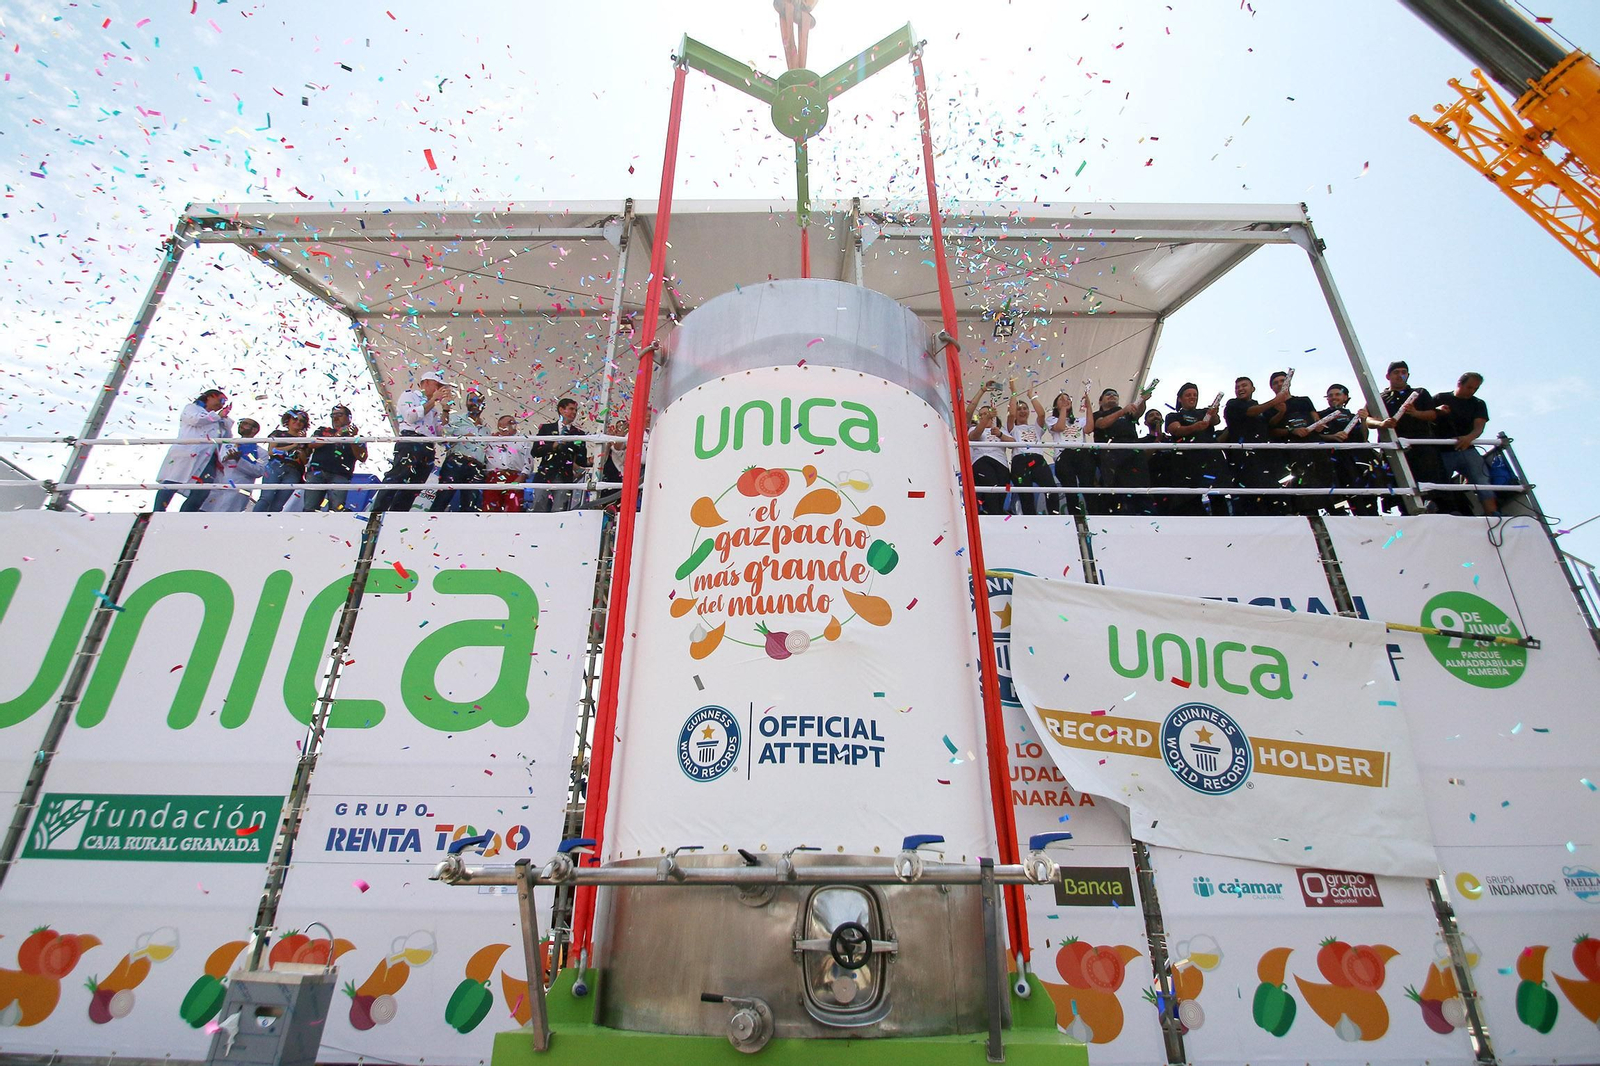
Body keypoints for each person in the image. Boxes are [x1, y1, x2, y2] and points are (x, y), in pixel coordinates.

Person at [1367, 360, 1443, 503]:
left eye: (1403, 372)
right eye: (1396, 372)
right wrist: (1382, 423)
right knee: (1397, 483)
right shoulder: (1379, 397)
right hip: (1392, 447)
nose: (1400, 375)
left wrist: (1415, 413)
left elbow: (1432, 414)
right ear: (1388, 376)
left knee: (1426, 480)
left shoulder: (1419, 393)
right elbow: (1368, 420)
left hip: (1420, 445)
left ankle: (1430, 506)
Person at [372, 369, 448, 513]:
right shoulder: (410, 395)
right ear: (425, 383)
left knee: (415, 485)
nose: (439, 388)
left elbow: (440, 433)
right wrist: (433, 401)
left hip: (428, 446)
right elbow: (411, 417)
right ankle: (377, 511)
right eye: (436, 384)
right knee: (398, 476)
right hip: (410, 440)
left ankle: (398, 513)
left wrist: (445, 410)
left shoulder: (433, 409)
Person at [153, 389, 229, 512]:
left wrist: (225, 423)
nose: (222, 404)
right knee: (174, 481)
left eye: (224, 402)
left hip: (209, 457)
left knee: (203, 490)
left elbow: (225, 438)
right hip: (188, 452)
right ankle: (158, 512)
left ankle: (185, 516)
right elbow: (196, 420)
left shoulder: (217, 419)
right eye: (221, 400)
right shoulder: (192, 408)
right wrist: (217, 416)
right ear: (210, 397)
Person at [1432, 372, 1498, 515]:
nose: (1472, 391)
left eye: (1475, 389)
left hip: (1467, 450)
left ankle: (1493, 514)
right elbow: (1428, 416)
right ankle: (1446, 513)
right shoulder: (1440, 398)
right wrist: (1438, 411)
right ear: (1459, 383)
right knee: (1440, 484)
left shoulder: (1478, 404)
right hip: (1442, 452)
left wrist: (1468, 438)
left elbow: (1479, 427)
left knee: (1483, 480)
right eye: (1469, 387)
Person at [1223, 375, 1286, 514]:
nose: (1240, 389)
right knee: (1249, 498)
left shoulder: (1260, 408)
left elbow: (1268, 425)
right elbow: (1250, 412)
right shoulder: (1233, 405)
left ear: (1253, 388)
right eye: (1237, 387)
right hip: (1243, 460)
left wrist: (1281, 412)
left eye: (1244, 385)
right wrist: (1274, 401)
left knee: (1272, 496)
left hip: (1265, 459)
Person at [1317, 384, 1377, 515]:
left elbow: (1364, 437)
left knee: (1363, 498)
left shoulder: (1353, 416)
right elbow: (1313, 435)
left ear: (1345, 397)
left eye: (1337, 394)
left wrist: (1364, 420)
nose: (1333, 397)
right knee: (1337, 498)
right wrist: (1332, 437)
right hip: (1332, 463)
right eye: (1330, 395)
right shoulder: (1320, 415)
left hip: (1355, 463)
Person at [1164, 383, 1223, 516]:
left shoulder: (1204, 413)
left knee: (1218, 499)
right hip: (1186, 465)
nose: (1192, 397)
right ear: (1180, 399)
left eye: (1195, 395)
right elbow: (1175, 430)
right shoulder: (1173, 415)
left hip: (1211, 464)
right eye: (1188, 395)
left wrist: (1213, 413)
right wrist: (1195, 427)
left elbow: (1216, 421)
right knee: (1190, 501)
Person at [1268, 370, 1321, 513]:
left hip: (1314, 450)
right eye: (1275, 383)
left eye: (1282, 381)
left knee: (1322, 485)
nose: (1279, 384)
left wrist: (1318, 426)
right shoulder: (1270, 407)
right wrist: (1292, 430)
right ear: (1271, 387)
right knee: (1300, 490)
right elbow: (1271, 430)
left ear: (1288, 382)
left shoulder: (1304, 400)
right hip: (1290, 455)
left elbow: (1317, 421)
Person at [1091, 386, 1149, 515]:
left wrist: (1143, 400)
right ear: (1100, 401)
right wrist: (1121, 412)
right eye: (1108, 395)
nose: (1112, 396)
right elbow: (1101, 424)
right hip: (1112, 454)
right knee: (1118, 488)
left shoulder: (1128, 413)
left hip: (1133, 450)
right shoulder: (1097, 414)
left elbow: (1138, 413)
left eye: (1115, 394)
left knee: (1140, 485)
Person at [430, 389, 489, 512]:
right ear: (466, 403)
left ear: (484, 405)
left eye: (478, 401)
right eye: (471, 400)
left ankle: (465, 530)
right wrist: (445, 411)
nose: (474, 403)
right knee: (443, 497)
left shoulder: (487, 430)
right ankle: (429, 527)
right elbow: (442, 438)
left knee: (470, 504)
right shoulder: (455, 418)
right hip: (456, 462)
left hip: (477, 467)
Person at [302, 405, 368, 513]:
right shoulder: (323, 431)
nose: (335, 418)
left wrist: (352, 439)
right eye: (333, 415)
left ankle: (332, 529)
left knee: (337, 509)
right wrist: (336, 436)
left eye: (340, 415)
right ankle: (306, 528)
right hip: (317, 472)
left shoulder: (357, 438)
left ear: (349, 418)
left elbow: (362, 457)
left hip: (340, 475)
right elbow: (311, 445)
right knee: (310, 506)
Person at [1004, 377, 1055, 515]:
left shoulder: (1036, 427)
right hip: (1020, 461)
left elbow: (1042, 414)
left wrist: (1031, 396)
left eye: (1025, 408)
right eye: (1019, 409)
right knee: (1026, 495)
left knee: (1051, 489)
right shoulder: (1012, 428)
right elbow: (1011, 413)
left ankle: (1054, 517)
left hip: (1038, 460)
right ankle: (1030, 520)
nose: (1022, 411)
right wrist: (1014, 392)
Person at [530, 397, 590, 512]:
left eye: (576, 410)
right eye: (571, 409)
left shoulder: (579, 433)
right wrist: (553, 446)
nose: (574, 413)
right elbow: (535, 451)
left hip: (564, 477)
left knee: (559, 509)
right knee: (538, 506)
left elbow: (581, 460)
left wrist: (592, 461)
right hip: (545, 475)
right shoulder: (546, 428)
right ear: (561, 410)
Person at [201, 418, 266, 513]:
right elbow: (222, 460)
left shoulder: (261, 452)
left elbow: (259, 471)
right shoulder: (228, 443)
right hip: (218, 485)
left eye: (246, 424)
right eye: (240, 423)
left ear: (254, 430)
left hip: (239, 490)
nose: (241, 425)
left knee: (227, 520)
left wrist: (239, 460)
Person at [254, 409, 312, 512]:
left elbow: (304, 461)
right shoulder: (278, 434)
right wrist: (293, 445)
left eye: (302, 421)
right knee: (266, 498)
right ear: (287, 420)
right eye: (295, 418)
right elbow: (272, 451)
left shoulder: (306, 441)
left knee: (279, 504)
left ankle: (270, 525)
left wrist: (301, 445)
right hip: (275, 467)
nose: (298, 422)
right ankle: (253, 522)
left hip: (294, 471)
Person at [1045, 391, 1091, 516]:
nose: (1065, 400)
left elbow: (1089, 429)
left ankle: (1094, 512)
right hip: (1063, 454)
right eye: (1061, 399)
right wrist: (1064, 409)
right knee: (1070, 486)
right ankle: (1075, 515)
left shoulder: (1078, 420)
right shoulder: (1051, 419)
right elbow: (1060, 428)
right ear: (1056, 406)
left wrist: (1089, 407)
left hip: (1081, 452)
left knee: (1087, 484)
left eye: (1067, 399)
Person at [967, 399, 1014, 516]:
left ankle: (996, 513)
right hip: (982, 459)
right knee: (991, 487)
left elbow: (1013, 443)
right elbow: (974, 436)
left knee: (1001, 491)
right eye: (981, 415)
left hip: (1001, 463)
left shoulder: (1001, 430)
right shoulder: (974, 429)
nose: (983, 416)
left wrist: (1000, 434)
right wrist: (986, 419)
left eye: (986, 414)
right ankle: (993, 514)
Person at [483, 414, 532, 513]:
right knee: (490, 508)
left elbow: (529, 461)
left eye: (513, 422)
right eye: (509, 422)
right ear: (500, 426)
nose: (513, 424)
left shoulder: (523, 440)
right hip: (494, 476)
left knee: (513, 508)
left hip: (515, 476)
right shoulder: (491, 440)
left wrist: (522, 476)